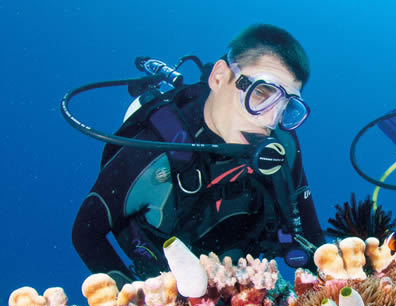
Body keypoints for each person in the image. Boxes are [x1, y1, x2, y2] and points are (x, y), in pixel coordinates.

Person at [72, 24, 325, 286]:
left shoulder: (282, 143)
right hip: (169, 270)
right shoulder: (151, 148)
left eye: (287, 106)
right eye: (261, 93)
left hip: (240, 265)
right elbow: (85, 232)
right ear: (218, 77)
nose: (270, 120)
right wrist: (131, 303)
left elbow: (311, 234)